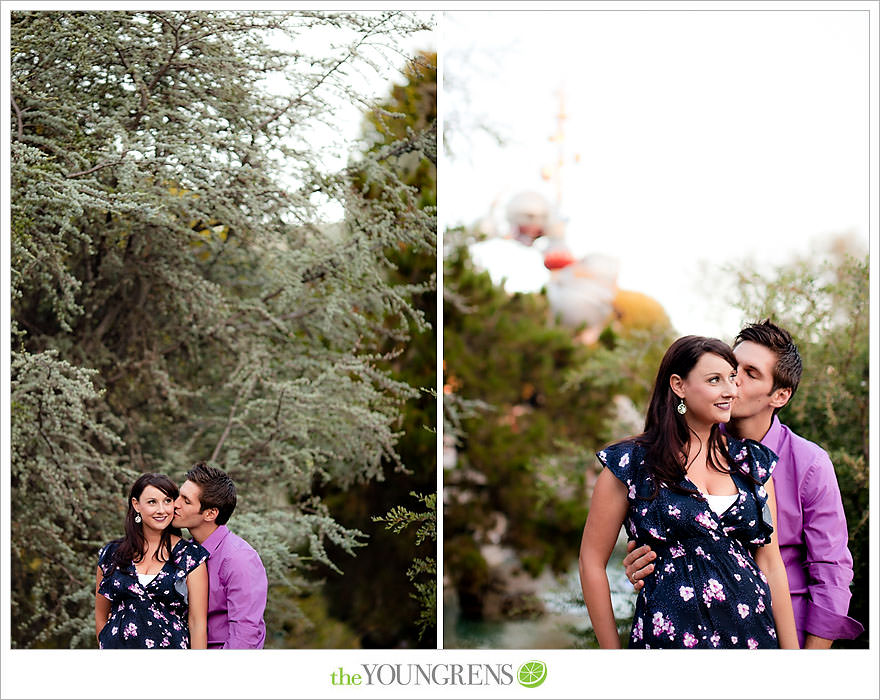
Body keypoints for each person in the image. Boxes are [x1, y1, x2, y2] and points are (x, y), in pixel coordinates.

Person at [623, 320, 863, 648]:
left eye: (750, 373)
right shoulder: (683, 450)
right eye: (731, 367)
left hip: (780, 635)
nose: (733, 382)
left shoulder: (809, 464)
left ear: (779, 395)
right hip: (692, 634)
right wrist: (644, 559)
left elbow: (831, 569)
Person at [579, 335, 799, 648]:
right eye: (715, 380)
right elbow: (591, 561)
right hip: (670, 640)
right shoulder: (631, 463)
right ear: (679, 385)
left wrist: (793, 659)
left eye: (732, 379)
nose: (729, 391)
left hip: (754, 637)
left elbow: (771, 564)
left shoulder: (753, 464)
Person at [95, 473, 209, 648]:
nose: (161, 510)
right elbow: (101, 615)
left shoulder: (190, 557)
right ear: (136, 505)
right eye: (152, 502)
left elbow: (197, 624)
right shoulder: (111, 554)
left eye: (167, 501)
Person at [172, 462, 268, 649]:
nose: (175, 504)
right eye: (179, 496)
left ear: (210, 514)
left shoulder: (239, 559)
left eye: (186, 500)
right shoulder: (186, 551)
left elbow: (245, 635)